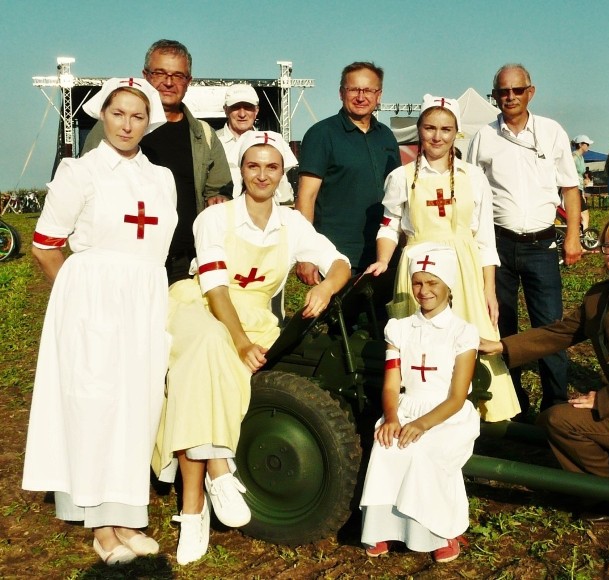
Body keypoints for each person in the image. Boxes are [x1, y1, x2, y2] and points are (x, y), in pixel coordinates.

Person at [152, 131, 351, 565]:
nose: (262, 175)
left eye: (272, 167)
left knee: (203, 376)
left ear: (283, 173)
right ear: (241, 170)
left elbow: (339, 262)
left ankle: (193, 507)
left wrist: (327, 289)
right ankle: (219, 473)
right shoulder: (215, 219)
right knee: (208, 344)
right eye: (253, 166)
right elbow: (214, 285)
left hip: (257, 317)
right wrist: (240, 342)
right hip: (200, 305)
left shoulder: (291, 222)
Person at [23, 78, 177, 565]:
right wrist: (79, 294)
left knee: (138, 403)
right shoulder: (79, 171)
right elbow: (44, 245)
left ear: (148, 120)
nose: (127, 124)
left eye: (137, 115)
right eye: (118, 114)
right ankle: (101, 526)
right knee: (95, 404)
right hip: (93, 300)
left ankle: (127, 514)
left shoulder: (162, 177)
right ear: (102, 116)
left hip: (145, 297)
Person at [481, 214, 609, 481]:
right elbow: (560, 333)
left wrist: (604, 401)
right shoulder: (601, 296)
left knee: (558, 420)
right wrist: (501, 346)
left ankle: (607, 493)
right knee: (557, 418)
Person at [365, 95, 520, 422]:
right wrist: (383, 260)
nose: (437, 136)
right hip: (417, 267)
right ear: (419, 130)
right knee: (421, 344)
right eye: (430, 128)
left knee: (470, 335)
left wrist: (488, 290)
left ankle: (482, 414)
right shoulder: (401, 177)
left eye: (446, 129)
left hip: (462, 269)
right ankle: (419, 411)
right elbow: (390, 225)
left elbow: (484, 238)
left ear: (456, 133)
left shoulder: (473, 177)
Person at [467, 63, 582, 415]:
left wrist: (573, 235)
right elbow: (471, 191)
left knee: (549, 327)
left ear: (530, 92)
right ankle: (513, 404)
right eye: (503, 91)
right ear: (495, 95)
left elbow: (570, 188)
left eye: (517, 90)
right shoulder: (483, 137)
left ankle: (555, 404)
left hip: (542, 245)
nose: (510, 97)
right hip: (498, 245)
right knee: (502, 327)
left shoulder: (551, 132)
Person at [360, 243, 480, 564]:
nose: (423, 291)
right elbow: (391, 384)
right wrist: (391, 418)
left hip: (447, 415)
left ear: (448, 286)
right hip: (406, 406)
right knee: (387, 446)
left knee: (426, 451)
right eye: (417, 283)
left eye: (432, 283)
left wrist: (422, 425)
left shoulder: (463, 333)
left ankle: (440, 531)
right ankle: (384, 528)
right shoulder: (398, 329)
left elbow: (457, 397)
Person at [82, 39, 232, 285]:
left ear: (189, 81)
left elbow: (219, 187)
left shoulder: (203, 134)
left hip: (185, 260)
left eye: (178, 75)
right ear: (145, 75)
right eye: (160, 73)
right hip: (125, 259)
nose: (169, 82)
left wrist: (219, 199)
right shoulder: (111, 128)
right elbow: (88, 183)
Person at [295, 61, 401, 281]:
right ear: (341, 93)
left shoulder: (387, 136)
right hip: (337, 256)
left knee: (383, 316)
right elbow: (307, 196)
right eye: (354, 89)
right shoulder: (321, 134)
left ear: (379, 95)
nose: (361, 97)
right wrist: (306, 254)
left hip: (383, 252)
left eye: (368, 90)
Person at [216, 84, 298, 204]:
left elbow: (284, 195)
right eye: (236, 107)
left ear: (256, 111)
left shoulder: (272, 144)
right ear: (226, 110)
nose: (242, 114)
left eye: (248, 107)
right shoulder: (212, 143)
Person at [573, 135, 593, 232]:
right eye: (587, 144)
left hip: (579, 188)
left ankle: (582, 235)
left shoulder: (581, 157)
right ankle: (585, 237)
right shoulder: (574, 157)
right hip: (574, 188)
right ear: (581, 144)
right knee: (584, 214)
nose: (588, 146)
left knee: (581, 214)